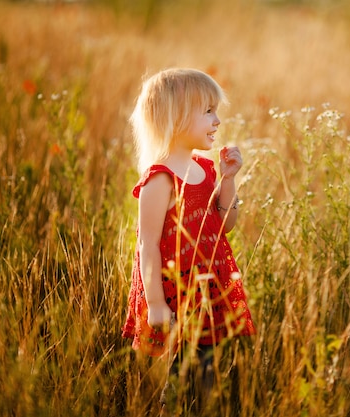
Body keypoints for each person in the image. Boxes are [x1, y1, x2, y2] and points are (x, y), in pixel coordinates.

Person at [121, 68, 256, 413]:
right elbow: (146, 245)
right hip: (177, 294)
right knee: (185, 370)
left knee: (207, 366)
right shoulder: (160, 180)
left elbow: (226, 224)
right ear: (176, 117)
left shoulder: (205, 169)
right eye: (208, 111)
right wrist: (155, 304)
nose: (218, 120)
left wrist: (228, 179)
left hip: (208, 287)